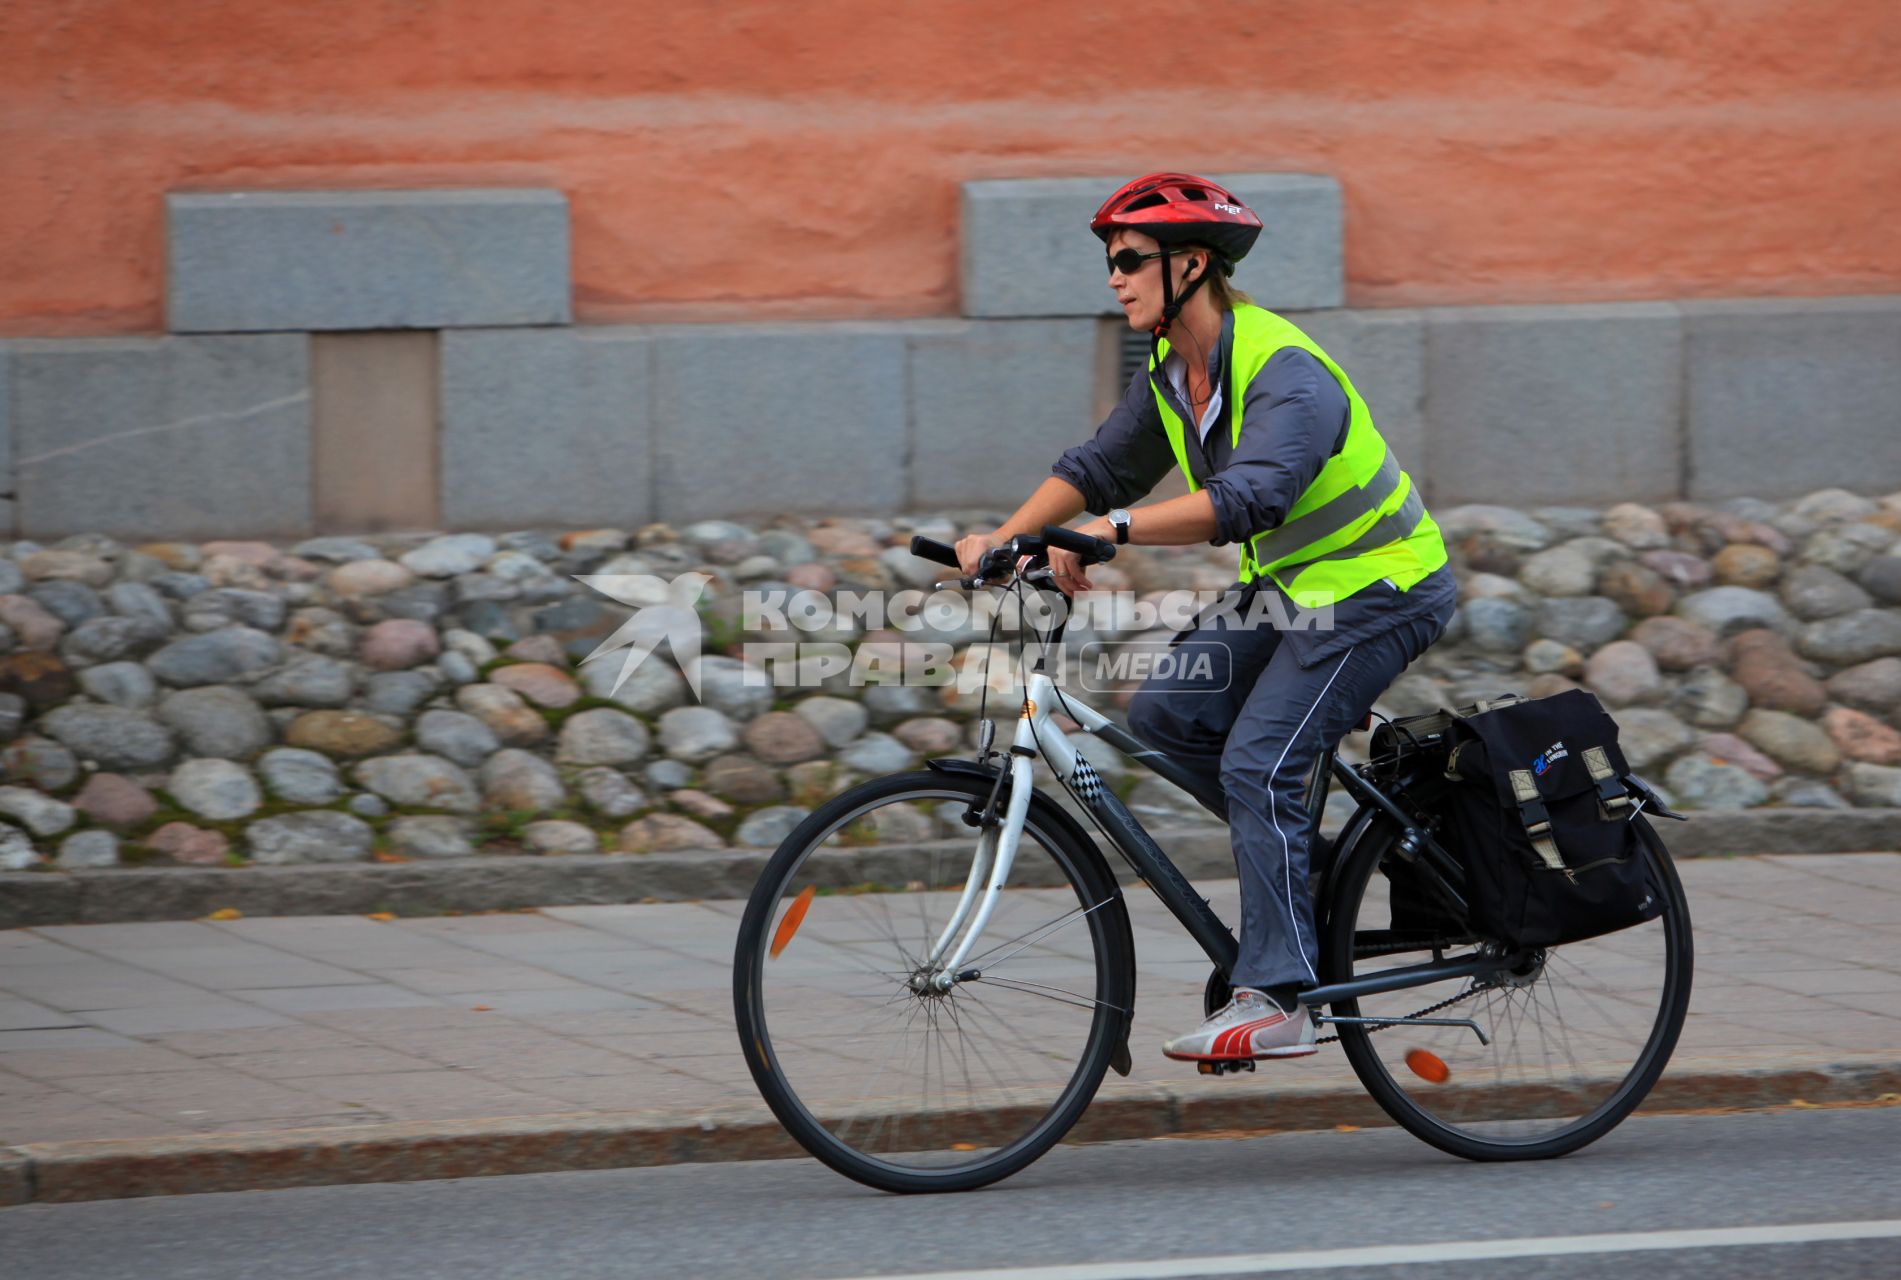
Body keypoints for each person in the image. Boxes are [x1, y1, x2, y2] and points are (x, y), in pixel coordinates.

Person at [955, 172, 1456, 1063]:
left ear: (1191, 265)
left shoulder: (1283, 370)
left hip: (1380, 587)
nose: (1114, 277)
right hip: (1297, 588)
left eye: (1129, 260)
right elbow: (1101, 465)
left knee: (1260, 763)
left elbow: (1251, 497)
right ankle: (1302, 868)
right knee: (1166, 717)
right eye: (1110, 263)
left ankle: (1282, 996)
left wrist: (1106, 532)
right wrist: (1008, 535)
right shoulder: (1175, 372)